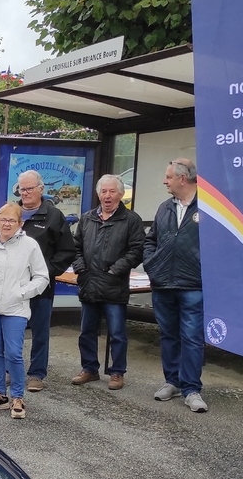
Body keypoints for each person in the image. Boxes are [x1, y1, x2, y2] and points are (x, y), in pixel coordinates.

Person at [0, 202, 50, 419]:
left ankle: (17, 397)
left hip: (15, 308)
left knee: (13, 353)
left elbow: (42, 277)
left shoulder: (29, 245)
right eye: (3, 219)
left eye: (12, 220)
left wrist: (22, 293)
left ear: (20, 223)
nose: (7, 224)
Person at [144, 158, 207, 413]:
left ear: (183, 178)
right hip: (163, 284)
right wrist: (151, 264)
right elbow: (151, 240)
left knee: (192, 338)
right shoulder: (165, 207)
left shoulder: (208, 207)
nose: (164, 181)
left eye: (168, 177)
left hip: (193, 284)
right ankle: (172, 381)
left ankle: (191, 389)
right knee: (168, 335)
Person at [71, 175, 145, 390]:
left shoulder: (131, 220)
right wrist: (80, 268)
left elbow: (137, 250)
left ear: (121, 194)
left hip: (114, 284)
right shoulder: (87, 218)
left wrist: (115, 270)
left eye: (112, 191)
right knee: (87, 332)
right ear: (98, 194)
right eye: (103, 191)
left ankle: (117, 372)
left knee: (117, 333)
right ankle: (89, 369)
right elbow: (75, 247)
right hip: (90, 283)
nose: (107, 196)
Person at [16, 170, 75, 391]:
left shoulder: (53, 216)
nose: (25, 193)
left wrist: (45, 273)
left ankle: (36, 374)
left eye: (29, 188)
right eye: (22, 189)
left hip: (41, 288)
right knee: (12, 331)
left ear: (41, 189)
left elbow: (67, 251)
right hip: (12, 287)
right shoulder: (11, 212)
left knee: (40, 332)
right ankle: (11, 369)